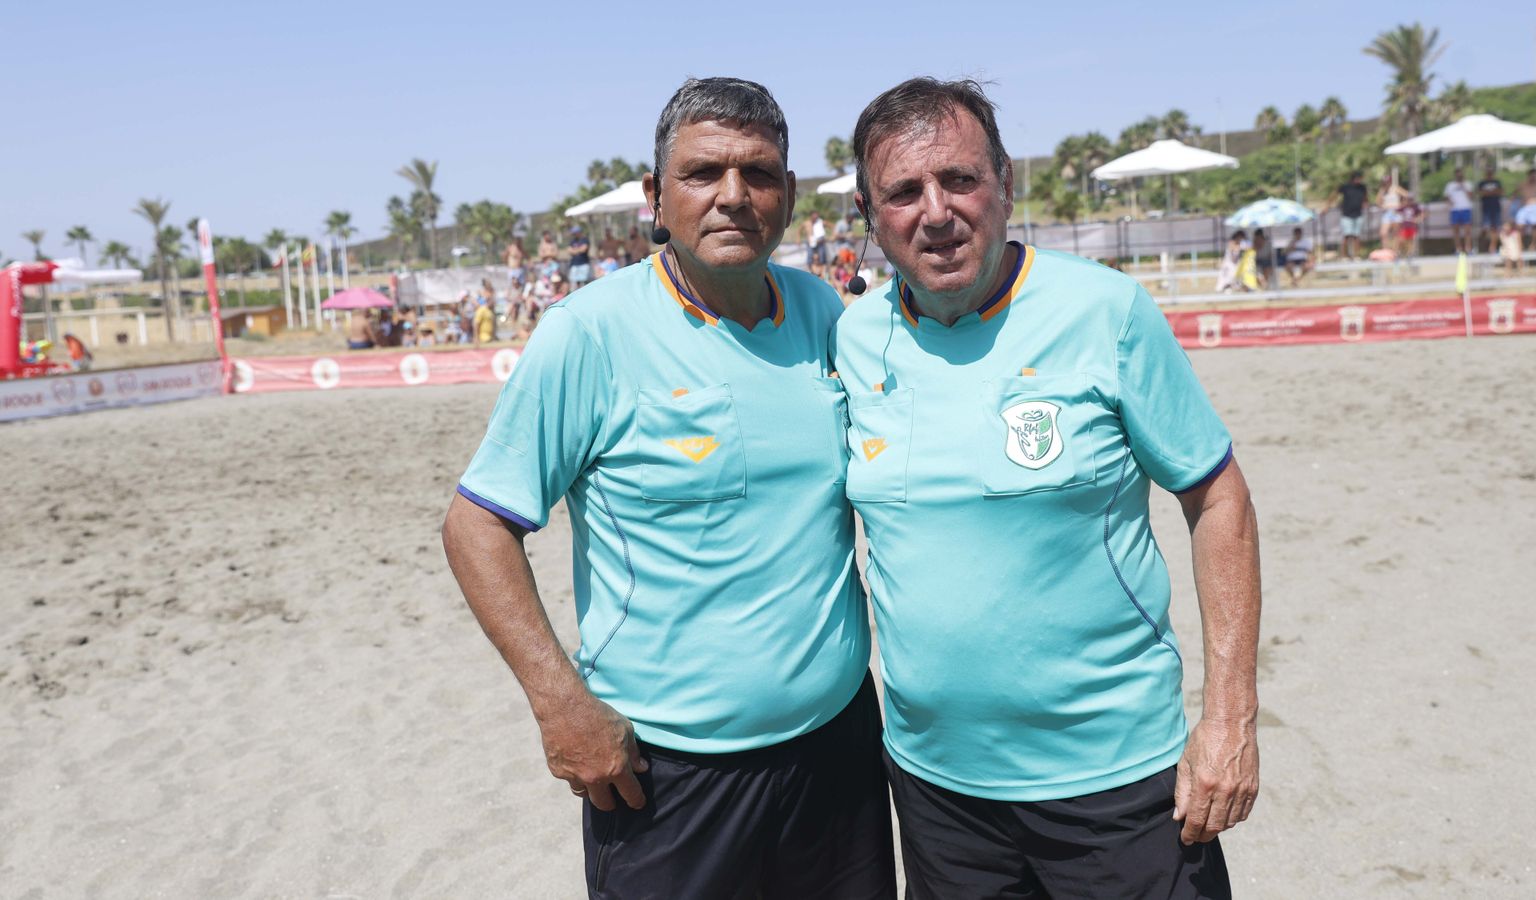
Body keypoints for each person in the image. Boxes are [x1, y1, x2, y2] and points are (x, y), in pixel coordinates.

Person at [441, 76, 894, 899]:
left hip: (838, 754)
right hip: (668, 778)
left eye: (758, 174)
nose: (733, 197)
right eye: (701, 174)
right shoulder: (589, 333)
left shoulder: (825, 318)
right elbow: (477, 525)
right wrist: (561, 705)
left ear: (787, 195)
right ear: (655, 196)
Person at [836, 76, 1258, 898]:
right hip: (937, 792)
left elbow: (1218, 498)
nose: (936, 211)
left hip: (1120, 782)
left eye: (960, 179)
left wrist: (1229, 717)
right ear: (868, 212)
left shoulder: (1107, 312)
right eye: (903, 191)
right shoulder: (853, 338)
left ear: (1004, 184)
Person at [1324, 171, 1367, 260]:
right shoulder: (1346, 187)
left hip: (1358, 214)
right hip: (1347, 215)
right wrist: (1327, 206)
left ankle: (1356, 255)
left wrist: (1365, 204)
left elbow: (1365, 198)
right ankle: (1344, 255)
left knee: (1356, 236)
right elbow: (1334, 195)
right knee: (1346, 236)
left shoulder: (1362, 187)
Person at [1377, 173, 1410, 253]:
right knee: (1383, 233)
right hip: (1387, 212)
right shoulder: (1382, 190)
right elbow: (1378, 201)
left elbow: (1407, 195)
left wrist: (1402, 205)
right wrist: (1382, 206)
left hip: (1396, 212)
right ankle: (1386, 250)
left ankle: (1396, 251)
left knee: (1396, 233)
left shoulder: (1395, 188)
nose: (1386, 183)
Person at [1445, 168, 1474, 254]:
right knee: (1456, 230)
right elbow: (1446, 196)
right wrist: (1450, 202)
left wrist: (1463, 186)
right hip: (1455, 209)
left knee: (1467, 230)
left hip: (1466, 208)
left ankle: (1468, 248)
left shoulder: (1468, 184)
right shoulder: (1450, 185)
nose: (1459, 176)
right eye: (1458, 174)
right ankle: (1458, 249)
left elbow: (1471, 196)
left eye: (1461, 174)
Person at [1479, 164, 1505, 254]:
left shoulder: (1497, 182)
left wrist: (1488, 192)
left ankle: (1492, 247)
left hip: (1495, 207)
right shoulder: (1482, 183)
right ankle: (1481, 246)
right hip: (1486, 208)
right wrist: (1493, 192)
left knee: (1495, 228)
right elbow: (1481, 193)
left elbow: (1501, 192)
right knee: (1485, 228)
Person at [806, 211, 828, 276]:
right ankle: (810, 272)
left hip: (820, 241)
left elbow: (830, 225)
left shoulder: (821, 222)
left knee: (821, 257)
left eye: (816, 216)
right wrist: (798, 238)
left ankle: (822, 273)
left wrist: (832, 235)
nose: (815, 217)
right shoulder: (807, 223)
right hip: (811, 242)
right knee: (810, 257)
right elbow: (799, 230)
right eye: (814, 216)